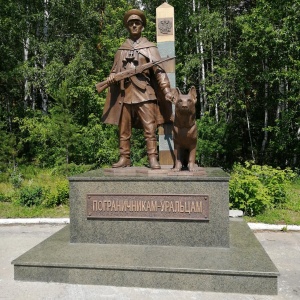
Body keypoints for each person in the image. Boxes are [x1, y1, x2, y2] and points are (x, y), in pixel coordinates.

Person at [101, 9, 173, 169]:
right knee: (124, 130)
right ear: (127, 26)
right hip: (125, 95)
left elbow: (160, 72)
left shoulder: (150, 48)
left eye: (137, 23)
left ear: (142, 26)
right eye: (131, 23)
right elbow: (115, 70)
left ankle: (152, 158)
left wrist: (167, 91)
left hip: (145, 94)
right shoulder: (121, 50)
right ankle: (124, 158)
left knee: (150, 129)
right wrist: (112, 76)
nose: (134, 25)